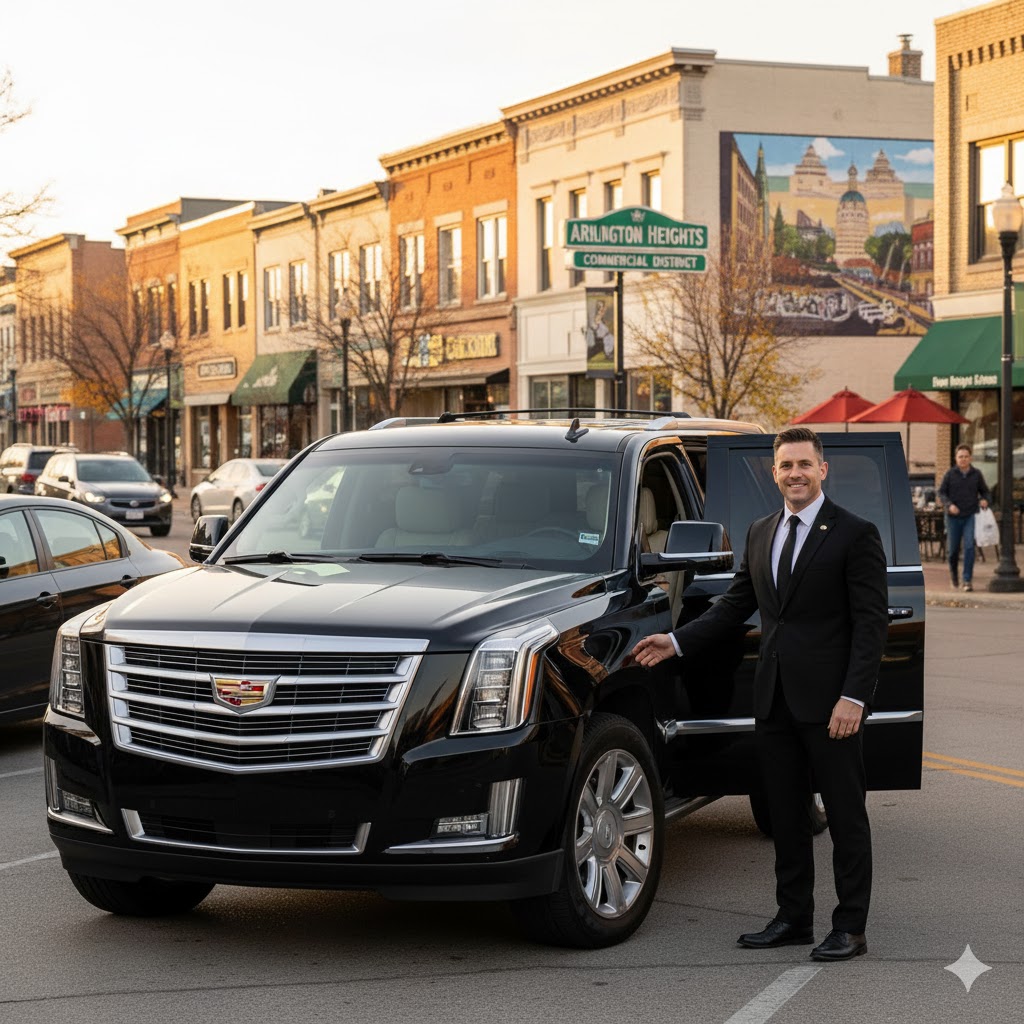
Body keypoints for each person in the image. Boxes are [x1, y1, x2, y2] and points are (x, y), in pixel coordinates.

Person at [631, 426, 888, 962]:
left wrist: (854, 698)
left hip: (831, 705)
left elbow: (871, 626)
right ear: (774, 473)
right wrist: (676, 641)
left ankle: (850, 926)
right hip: (773, 701)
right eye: (786, 465)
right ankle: (793, 917)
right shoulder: (761, 531)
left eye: (804, 464)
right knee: (787, 818)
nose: (795, 473)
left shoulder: (853, 534)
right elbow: (732, 608)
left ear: (823, 470)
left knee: (844, 816)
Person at [938, 444, 991, 592]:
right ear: (956, 458)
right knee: (953, 550)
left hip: (970, 516)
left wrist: (985, 500)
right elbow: (941, 493)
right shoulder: (949, 474)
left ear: (970, 458)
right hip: (953, 517)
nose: (963, 459)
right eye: (960, 456)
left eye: (966, 456)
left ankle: (967, 580)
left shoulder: (976, 474)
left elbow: (986, 492)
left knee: (969, 547)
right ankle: (954, 575)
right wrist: (949, 505)